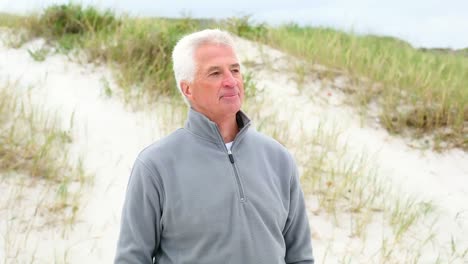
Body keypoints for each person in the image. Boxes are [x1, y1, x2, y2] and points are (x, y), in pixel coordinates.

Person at [115, 29, 314, 264]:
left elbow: (300, 257)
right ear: (187, 89)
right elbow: (131, 259)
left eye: (235, 70)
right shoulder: (155, 166)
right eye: (215, 73)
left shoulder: (278, 159)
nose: (231, 81)